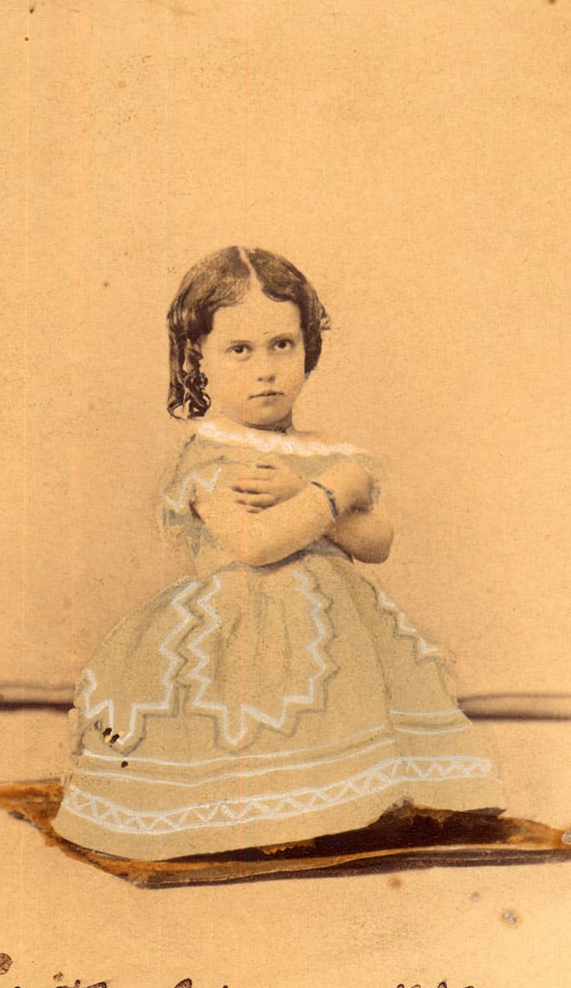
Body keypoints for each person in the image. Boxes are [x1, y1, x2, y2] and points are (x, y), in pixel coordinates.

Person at [51, 247, 503, 861]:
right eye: (240, 350)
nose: (265, 369)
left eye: (282, 345)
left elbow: (377, 543)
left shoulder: (327, 452)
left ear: (308, 348)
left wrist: (316, 487)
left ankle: (358, 801)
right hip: (242, 627)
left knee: (353, 700)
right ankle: (264, 814)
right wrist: (331, 492)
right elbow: (255, 543)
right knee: (252, 709)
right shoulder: (211, 453)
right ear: (197, 360)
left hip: (344, 631)